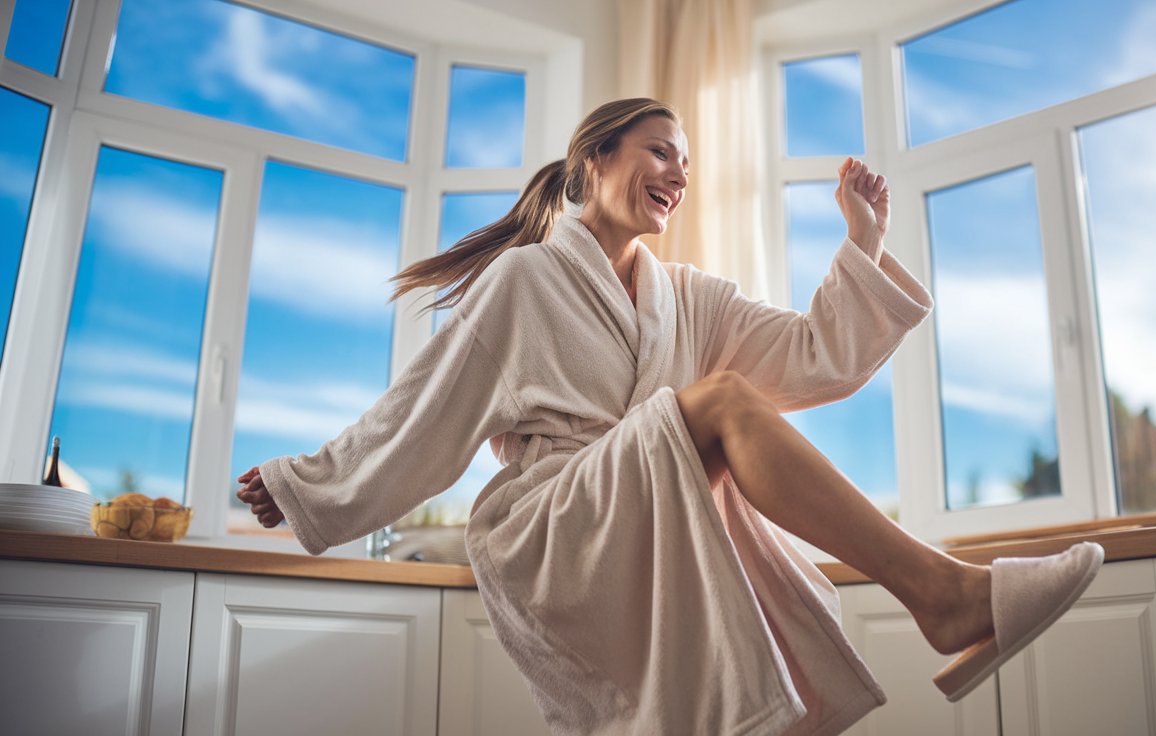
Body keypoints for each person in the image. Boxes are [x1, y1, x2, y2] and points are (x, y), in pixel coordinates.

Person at [236, 98, 1103, 735]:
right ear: (594, 160)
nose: (679, 176)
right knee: (721, 402)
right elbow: (426, 410)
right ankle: (945, 595)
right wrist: (311, 483)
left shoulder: (688, 298)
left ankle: (945, 596)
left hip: (654, 516)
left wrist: (863, 241)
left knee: (729, 433)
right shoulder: (524, 281)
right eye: (660, 152)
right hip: (555, 526)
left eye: (686, 164)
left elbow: (815, 356)